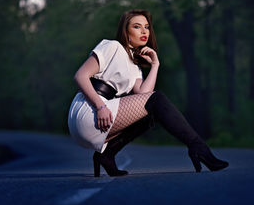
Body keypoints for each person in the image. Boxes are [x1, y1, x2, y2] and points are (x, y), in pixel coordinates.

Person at [68, 9, 229, 177]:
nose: (144, 31)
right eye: (137, 27)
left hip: (103, 112)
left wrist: (155, 64)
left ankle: (106, 155)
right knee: (157, 100)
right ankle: (199, 148)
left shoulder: (135, 66)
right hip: (89, 110)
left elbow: (145, 99)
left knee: (152, 111)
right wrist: (100, 106)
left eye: (147, 27)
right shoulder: (112, 46)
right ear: (126, 30)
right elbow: (80, 76)